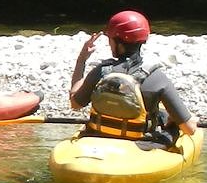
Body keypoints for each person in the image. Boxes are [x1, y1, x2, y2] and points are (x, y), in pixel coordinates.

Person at [68, 10, 197, 145]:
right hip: (141, 144)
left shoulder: (101, 71)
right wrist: (182, 120)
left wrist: (81, 60)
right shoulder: (156, 77)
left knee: (163, 115)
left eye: (110, 39)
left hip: (98, 136)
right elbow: (189, 129)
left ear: (118, 42)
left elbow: (75, 103)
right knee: (169, 121)